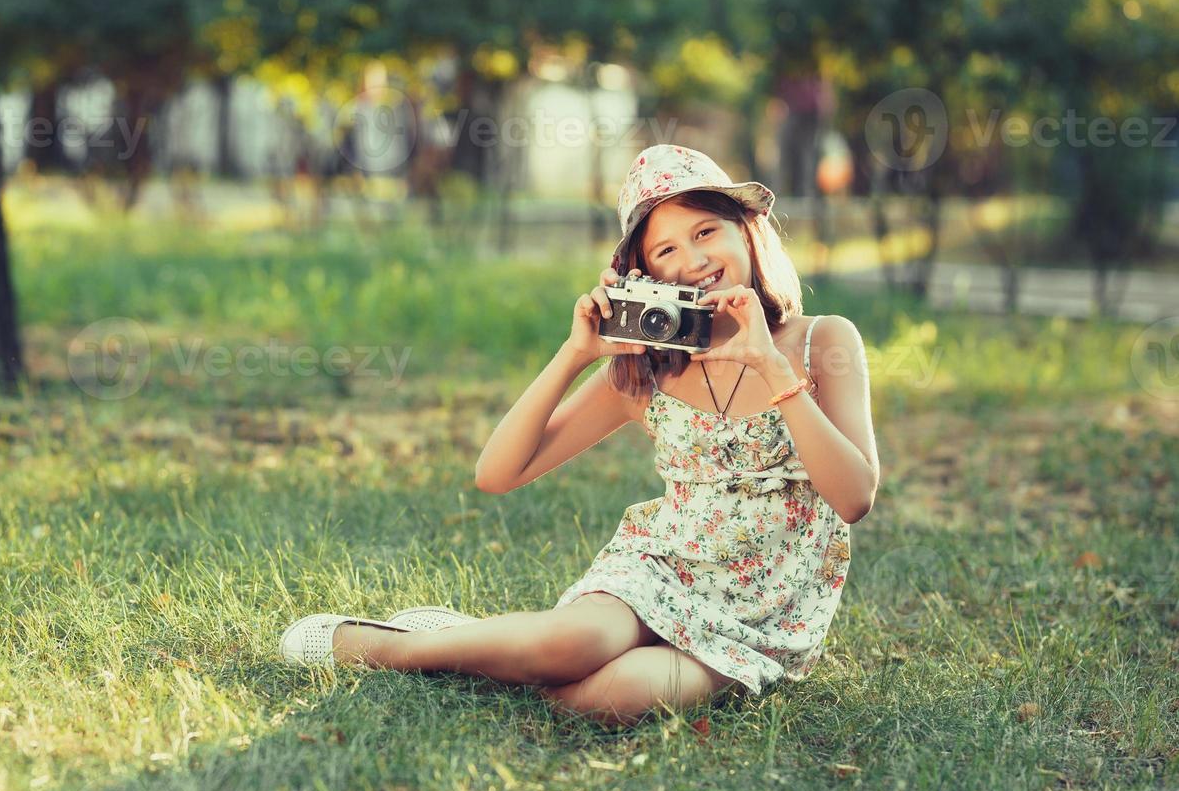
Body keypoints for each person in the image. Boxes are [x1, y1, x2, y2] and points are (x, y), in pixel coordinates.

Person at [279, 144, 880, 728]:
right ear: (645, 274)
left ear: (746, 231)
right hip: (661, 570)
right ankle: (387, 647)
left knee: (608, 696)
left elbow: (854, 497)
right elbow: (496, 474)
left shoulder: (821, 342)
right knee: (580, 639)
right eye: (665, 249)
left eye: (705, 232)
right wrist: (574, 355)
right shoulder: (648, 369)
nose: (692, 258)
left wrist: (771, 368)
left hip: (763, 611)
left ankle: (466, 638)